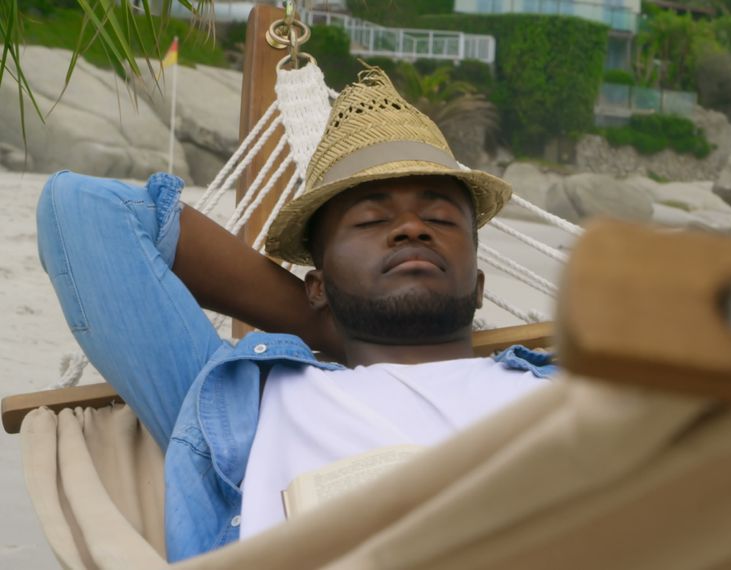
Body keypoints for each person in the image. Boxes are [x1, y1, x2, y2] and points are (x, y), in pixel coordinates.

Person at [35, 66, 555, 562]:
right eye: (373, 219)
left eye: (440, 218)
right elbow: (84, 210)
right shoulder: (245, 404)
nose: (412, 229)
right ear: (318, 285)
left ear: (480, 283)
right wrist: (327, 326)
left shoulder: (568, 392)